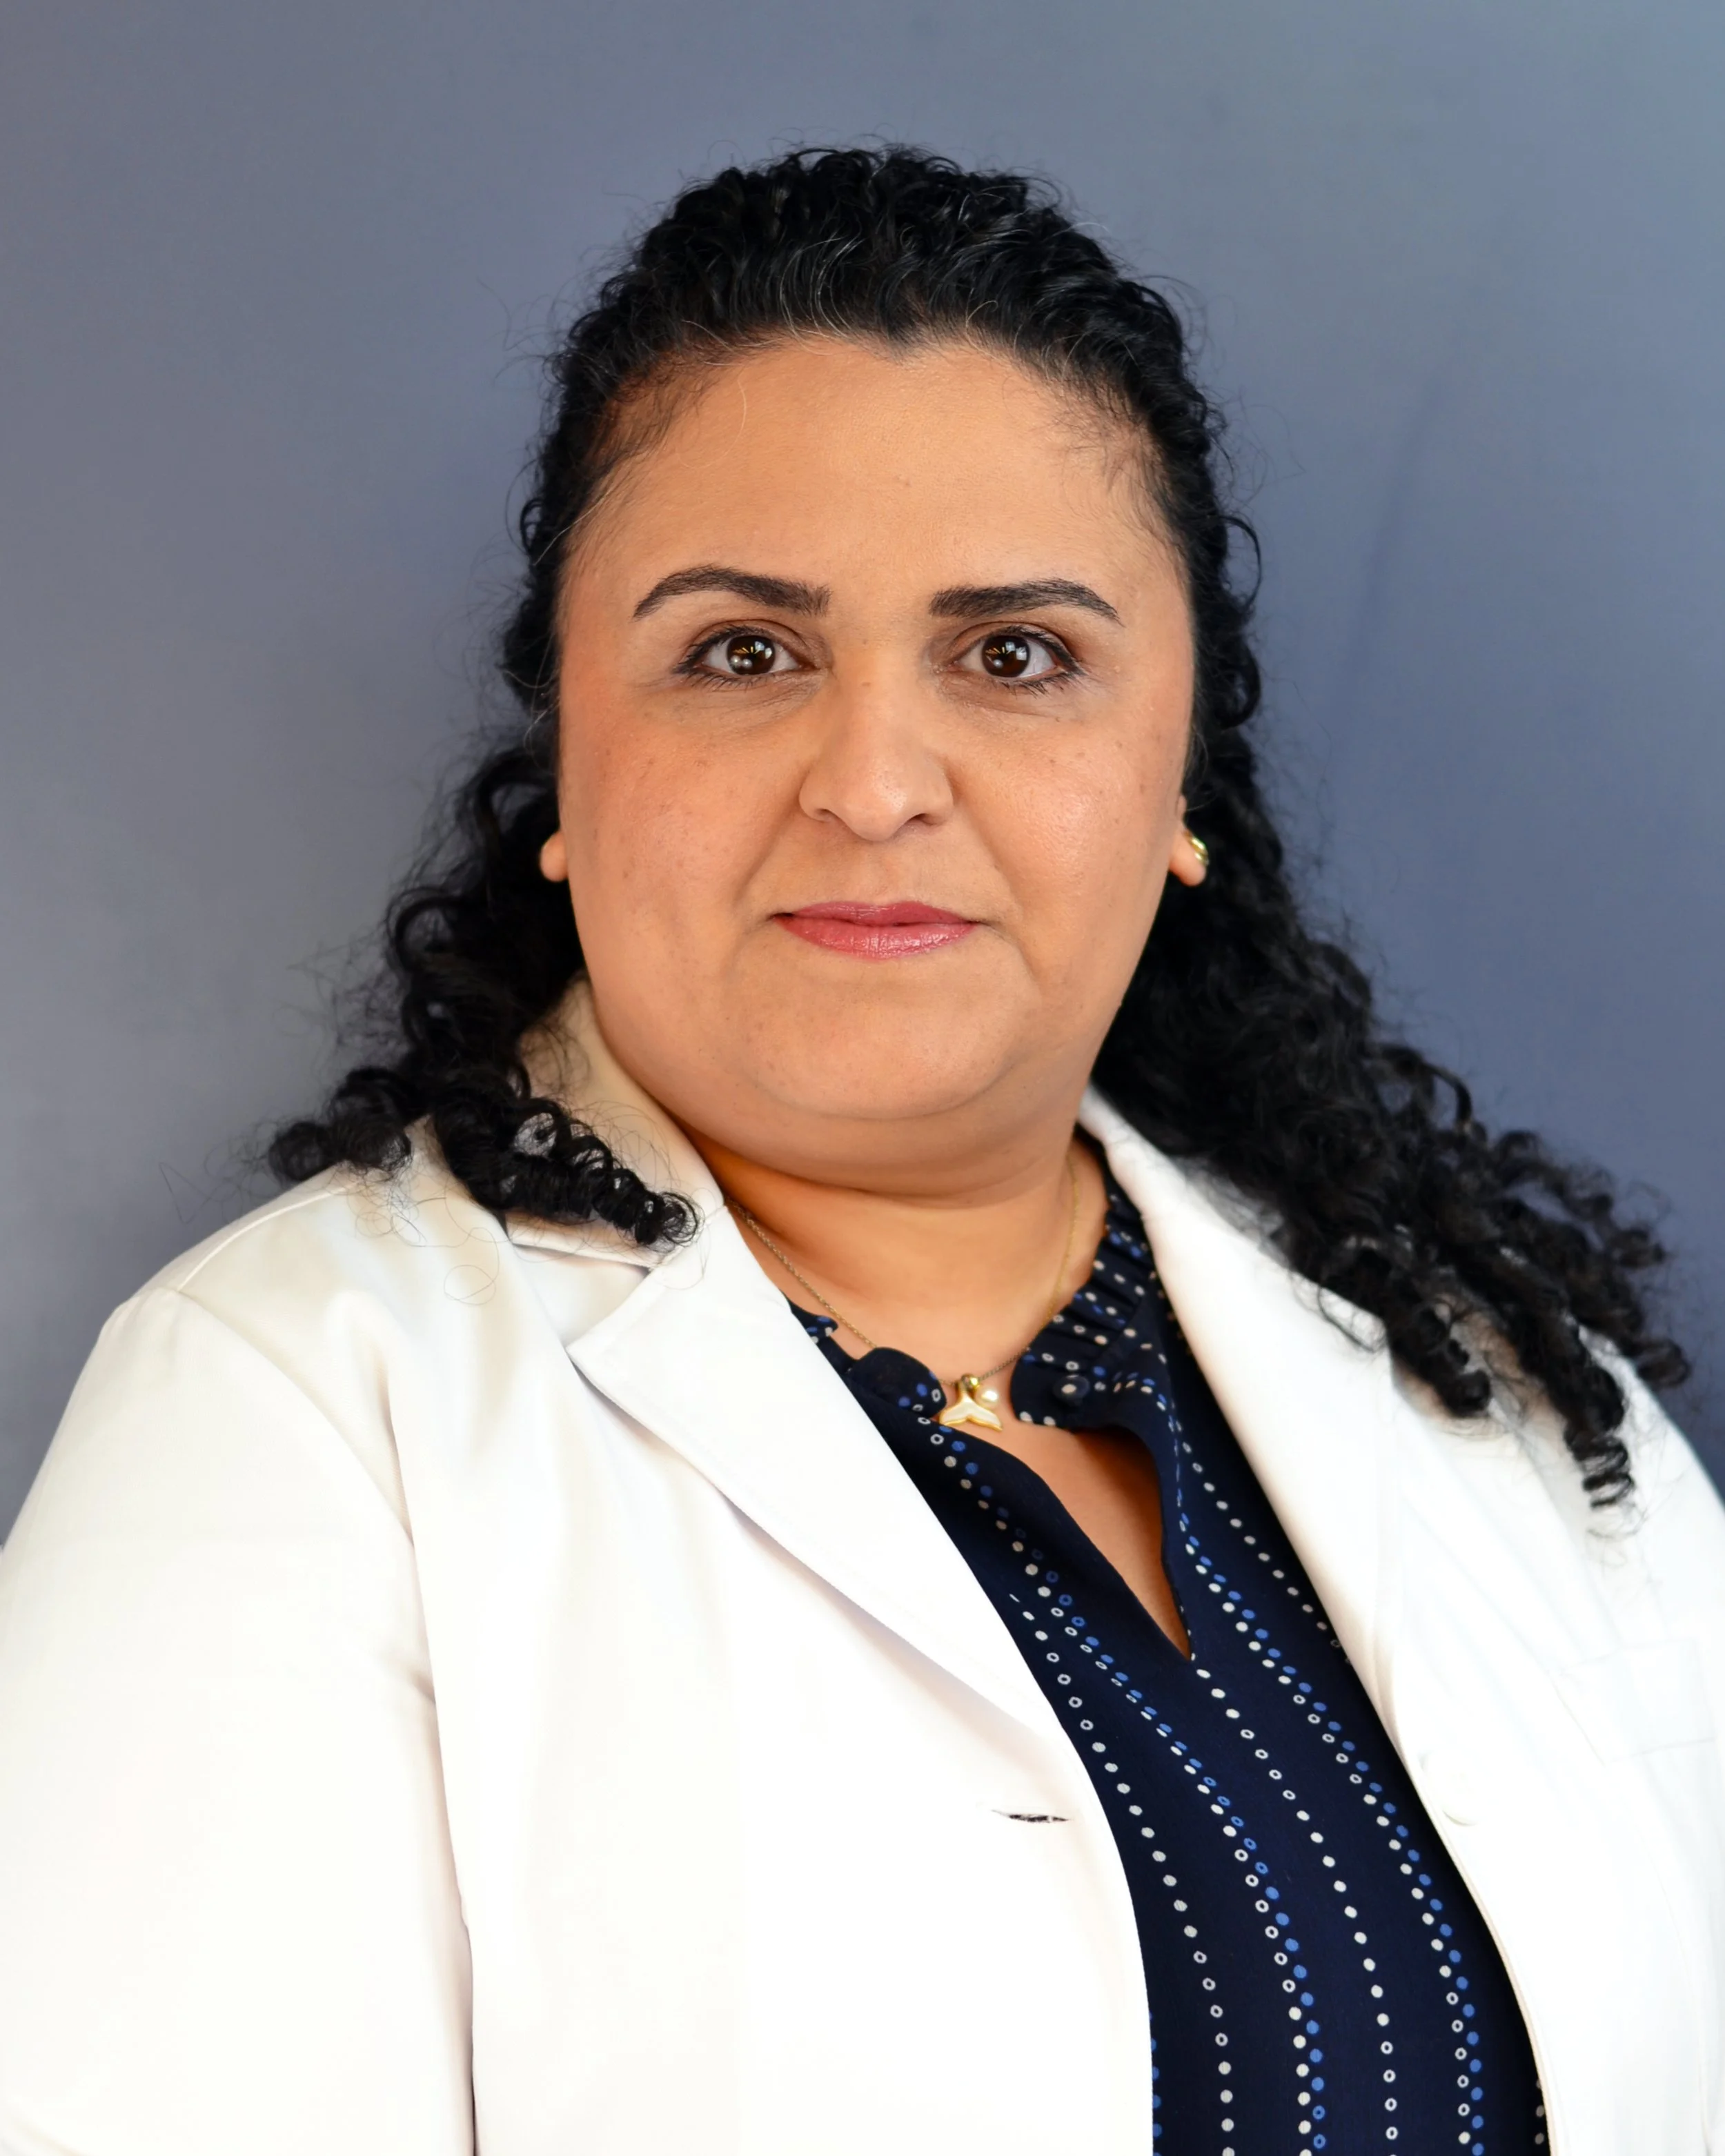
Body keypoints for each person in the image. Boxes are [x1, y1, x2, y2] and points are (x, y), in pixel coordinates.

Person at [0, 146, 1719, 2156]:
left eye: (1015, 656)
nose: (877, 782)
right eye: (743, 650)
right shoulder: (286, 1420)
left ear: (1179, 783)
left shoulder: (1499, 1400)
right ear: (566, 761)